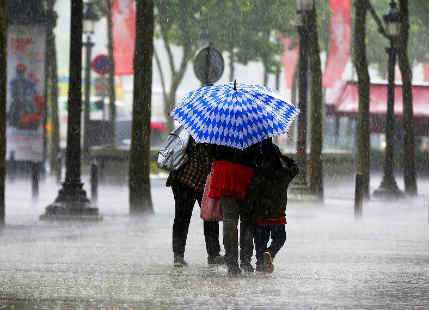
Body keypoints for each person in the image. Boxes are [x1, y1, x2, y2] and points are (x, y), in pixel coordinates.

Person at [166, 136, 224, 267]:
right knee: (184, 217)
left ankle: (213, 254)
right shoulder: (203, 135)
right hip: (186, 180)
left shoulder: (210, 135)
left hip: (200, 182)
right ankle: (179, 255)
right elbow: (205, 160)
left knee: (209, 218)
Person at [244, 139, 298, 273]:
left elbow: (251, 192)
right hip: (277, 213)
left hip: (259, 213)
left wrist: (248, 210)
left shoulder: (257, 172)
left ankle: (260, 266)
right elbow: (295, 168)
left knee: (260, 241)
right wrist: (282, 156)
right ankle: (270, 252)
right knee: (280, 238)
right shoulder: (283, 173)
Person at [207, 144, 259, 274]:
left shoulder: (220, 125)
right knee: (247, 220)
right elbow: (261, 154)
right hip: (247, 172)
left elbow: (210, 149)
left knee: (229, 219)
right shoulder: (255, 126)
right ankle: (246, 261)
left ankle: (232, 262)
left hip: (225, 171)